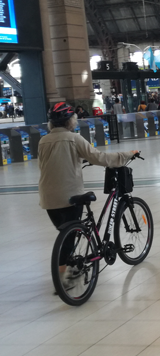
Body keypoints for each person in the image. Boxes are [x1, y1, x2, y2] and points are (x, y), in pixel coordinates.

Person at [38, 103, 138, 289]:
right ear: (70, 121)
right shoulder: (74, 138)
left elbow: (48, 165)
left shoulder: (43, 141)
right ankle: (62, 281)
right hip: (69, 196)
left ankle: (61, 275)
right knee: (69, 240)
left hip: (48, 198)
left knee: (65, 235)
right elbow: (100, 158)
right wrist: (126, 154)